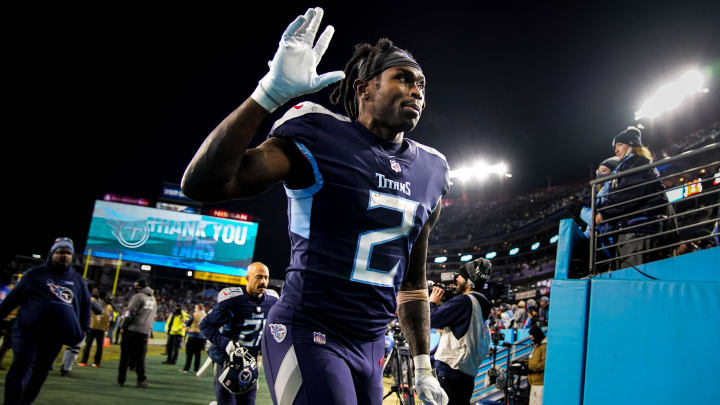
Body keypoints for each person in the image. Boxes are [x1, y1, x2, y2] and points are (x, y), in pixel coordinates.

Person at [181, 7, 450, 405]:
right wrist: (265, 97)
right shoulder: (318, 135)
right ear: (364, 88)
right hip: (309, 330)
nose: (416, 91)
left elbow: (412, 285)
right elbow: (204, 184)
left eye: (422, 85)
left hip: (373, 345)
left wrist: (424, 365)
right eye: (403, 78)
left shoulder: (432, 169)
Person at [0, 237, 91, 404]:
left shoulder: (78, 280)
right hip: (28, 334)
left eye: (68, 253)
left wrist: (84, 328)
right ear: (52, 253)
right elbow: (12, 300)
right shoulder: (34, 275)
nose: (65, 256)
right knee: (21, 369)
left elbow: (85, 305)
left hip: (54, 338)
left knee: (40, 374)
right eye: (60, 252)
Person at [199, 262, 278, 405]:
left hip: (251, 362)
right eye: (259, 277)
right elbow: (205, 325)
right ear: (247, 278)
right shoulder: (233, 300)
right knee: (227, 401)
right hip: (227, 360)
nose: (263, 282)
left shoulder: (272, 301)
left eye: (266, 278)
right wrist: (225, 343)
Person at [595, 127, 669, 269]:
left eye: (619, 144)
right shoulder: (629, 165)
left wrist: (604, 212)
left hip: (638, 229)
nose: (616, 150)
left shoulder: (637, 163)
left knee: (637, 283)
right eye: (614, 147)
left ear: (632, 144)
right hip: (631, 229)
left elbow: (629, 194)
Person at [429, 259, 492, 405]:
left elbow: (430, 319)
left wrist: (432, 302)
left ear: (469, 281)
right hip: (466, 377)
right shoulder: (482, 303)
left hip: (451, 373)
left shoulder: (465, 302)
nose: (456, 278)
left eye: (461, 275)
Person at [117, 278, 157, 388]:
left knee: (125, 356)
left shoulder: (138, 296)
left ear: (139, 286)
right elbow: (153, 317)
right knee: (140, 358)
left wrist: (123, 326)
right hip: (144, 332)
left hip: (132, 330)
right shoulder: (153, 299)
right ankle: (141, 380)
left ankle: (121, 379)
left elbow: (129, 313)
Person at [80, 290, 113, 367]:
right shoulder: (109, 307)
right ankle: (97, 363)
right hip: (101, 329)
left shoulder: (94, 302)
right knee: (99, 347)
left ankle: (84, 362)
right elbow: (110, 318)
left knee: (88, 345)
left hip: (92, 326)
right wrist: (106, 328)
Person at [181, 303, 207, 374]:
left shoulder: (195, 314)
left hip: (193, 336)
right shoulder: (206, 315)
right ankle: (196, 369)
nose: (195, 309)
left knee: (189, 353)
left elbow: (188, 323)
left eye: (196, 308)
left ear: (198, 308)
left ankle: (186, 368)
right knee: (198, 354)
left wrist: (185, 322)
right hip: (202, 337)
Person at [525, 326, 547, 405]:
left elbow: (545, 364)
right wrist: (524, 362)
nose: (531, 337)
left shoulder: (544, 347)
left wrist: (531, 367)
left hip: (540, 383)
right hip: (533, 382)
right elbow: (532, 359)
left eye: (532, 335)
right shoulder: (535, 346)